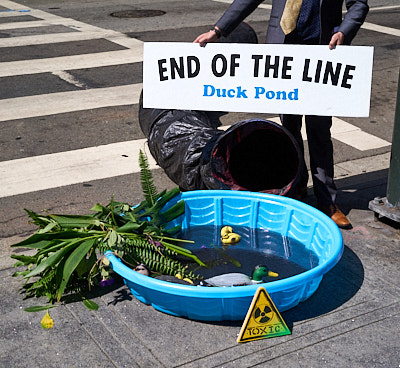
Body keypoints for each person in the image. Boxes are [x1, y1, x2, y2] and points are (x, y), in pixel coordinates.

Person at [194, 0, 369, 229]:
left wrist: (343, 32)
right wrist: (218, 31)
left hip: (323, 50)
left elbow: (359, 5)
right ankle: (295, 191)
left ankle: (327, 202)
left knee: (319, 130)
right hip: (283, 51)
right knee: (289, 129)